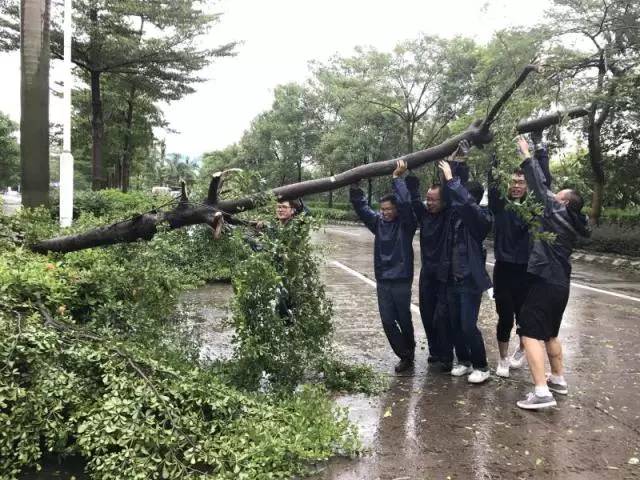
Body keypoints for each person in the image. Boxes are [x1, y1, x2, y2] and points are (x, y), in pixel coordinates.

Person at [514, 136, 591, 410]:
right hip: (561, 284)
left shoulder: (557, 212)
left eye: (559, 197)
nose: (554, 197)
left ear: (565, 203)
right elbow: (546, 186)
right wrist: (541, 148)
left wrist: (527, 155)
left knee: (530, 333)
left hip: (546, 280)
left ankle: (541, 391)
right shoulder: (573, 222)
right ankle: (558, 379)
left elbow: (538, 184)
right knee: (550, 334)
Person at [488, 134, 553, 378]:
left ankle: (521, 350)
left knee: (526, 318)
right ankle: (502, 359)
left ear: (526, 185)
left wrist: (540, 153)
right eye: (513, 182)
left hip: (528, 271)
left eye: (520, 182)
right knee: (504, 316)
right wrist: (496, 152)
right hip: (504, 269)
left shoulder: (534, 208)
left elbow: (543, 183)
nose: (516, 185)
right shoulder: (500, 206)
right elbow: (492, 183)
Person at [350, 160, 418, 373]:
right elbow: (362, 209)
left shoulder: (406, 224)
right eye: (382, 209)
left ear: (396, 209)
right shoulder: (378, 223)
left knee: (404, 318)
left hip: (401, 279)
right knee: (388, 321)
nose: (385, 212)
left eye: (389, 209)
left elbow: (407, 204)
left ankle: (411, 348)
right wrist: (355, 187)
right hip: (383, 279)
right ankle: (405, 355)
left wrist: (398, 179)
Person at [403, 157, 469, 372]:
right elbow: (413, 200)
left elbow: (456, 194)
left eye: (434, 200)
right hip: (427, 274)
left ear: (443, 202)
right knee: (426, 313)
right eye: (428, 199)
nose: (429, 203)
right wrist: (410, 174)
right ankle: (434, 352)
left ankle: (446, 356)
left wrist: (457, 167)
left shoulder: (449, 216)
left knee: (443, 317)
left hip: (445, 275)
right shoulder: (424, 216)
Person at [440, 157, 493, 384]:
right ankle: (463, 361)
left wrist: (453, 180)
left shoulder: (481, 219)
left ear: (472, 199)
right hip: (451, 278)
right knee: (453, 323)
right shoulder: (453, 216)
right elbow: (451, 197)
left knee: (468, 325)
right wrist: (456, 163)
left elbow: (466, 204)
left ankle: (482, 365)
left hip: (470, 281)